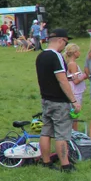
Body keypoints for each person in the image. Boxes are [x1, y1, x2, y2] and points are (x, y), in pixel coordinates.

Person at [35, 29, 79, 172]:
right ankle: (65, 164)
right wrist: (73, 100)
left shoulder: (40, 56)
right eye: (65, 42)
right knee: (62, 134)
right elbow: (62, 80)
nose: (65, 46)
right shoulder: (56, 56)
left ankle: (46, 161)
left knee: (46, 131)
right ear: (61, 40)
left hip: (46, 99)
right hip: (59, 101)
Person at [63, 42, 88, 113]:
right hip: (75, 91)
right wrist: (84, 76)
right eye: (78, 51)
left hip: (74, 91)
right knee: (75, 113)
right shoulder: (73, 64)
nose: (80, 53)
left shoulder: (69, 63)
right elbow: (75, 81)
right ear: (75, 53)